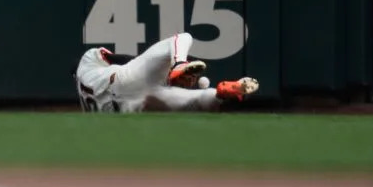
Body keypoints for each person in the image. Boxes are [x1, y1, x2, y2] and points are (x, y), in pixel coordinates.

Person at [74, 33, 259, 113]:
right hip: (124, 82)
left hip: (128, 109)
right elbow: (120, 59)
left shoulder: (85, 104)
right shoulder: (88, 60)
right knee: (183, 38)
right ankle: (180, 64)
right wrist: (163, 67)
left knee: (185, 99)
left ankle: (219, 95)